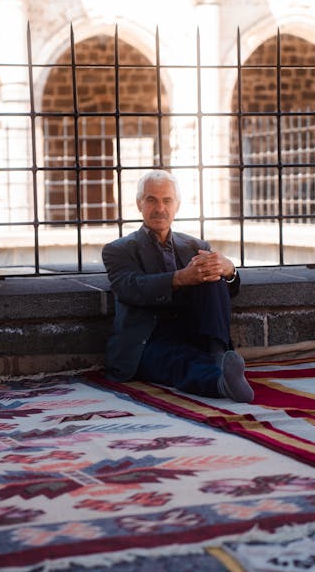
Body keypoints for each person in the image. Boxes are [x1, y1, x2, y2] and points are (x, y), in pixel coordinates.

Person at [102, 169, 254, 403]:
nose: (159, 208)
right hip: (147, 340)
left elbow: (229, 290)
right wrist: (180, 278)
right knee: (178, 362)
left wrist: (229, 270)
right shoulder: (118, 250)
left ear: (177, 206)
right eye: (151, 200)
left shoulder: (196, 245)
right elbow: (130, 287)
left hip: (194, 332)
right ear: (139, 204)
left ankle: (217, 354)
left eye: (167, 201)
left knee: (210, 273)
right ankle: (220, 383)